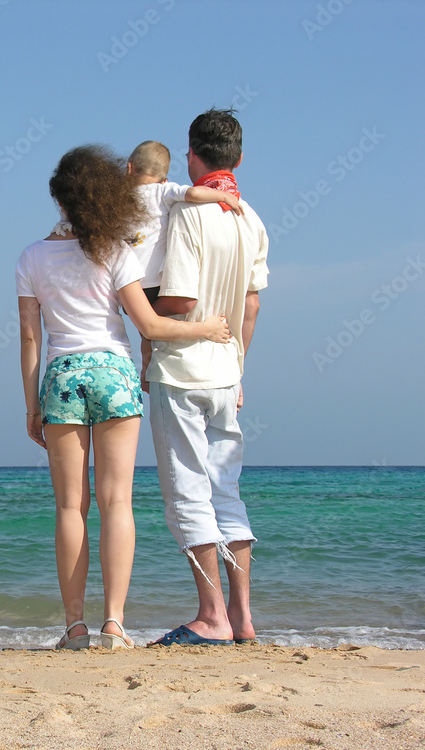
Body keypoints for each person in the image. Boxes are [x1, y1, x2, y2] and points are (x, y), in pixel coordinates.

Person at [16, 145, 232, 650]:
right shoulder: (116, 250)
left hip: (62, 377)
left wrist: (31, 407)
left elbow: (30, 340)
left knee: (71, 507)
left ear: (59, 198)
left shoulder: (31, 257)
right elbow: (151, 324)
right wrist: (208, 329)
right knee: (117, 503)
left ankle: (74, 628)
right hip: (112, 373)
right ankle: (113, 624)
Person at [146, 109, 269, 647]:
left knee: (187, 493)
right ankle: (242, 619)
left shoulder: (188, 216)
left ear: (191, 155)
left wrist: (141, 309)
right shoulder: (251, 217)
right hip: (226, 372)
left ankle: (211, 616)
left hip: (183, 367)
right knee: (227, 494)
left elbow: (180, 299)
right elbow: (251, 304)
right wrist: (239, 366)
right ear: (238, 159)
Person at [125, 140, 242, 390]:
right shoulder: (163, 192)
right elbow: (194, 194)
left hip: (127, 285)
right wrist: (223, 195)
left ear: (129, 168)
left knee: (146, 331)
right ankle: (200, 333)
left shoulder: (119, 199)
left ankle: (146, 366)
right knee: (153, 329)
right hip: (154, 283)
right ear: (164, 179)